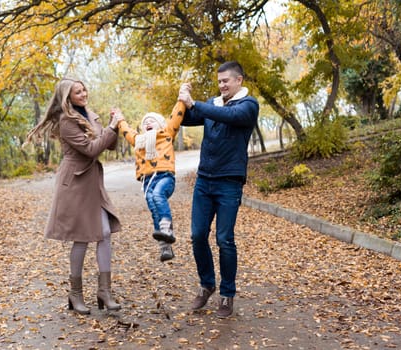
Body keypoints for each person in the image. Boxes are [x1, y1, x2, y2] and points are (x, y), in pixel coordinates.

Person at [26, 77, 124, 315]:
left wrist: (114, 125)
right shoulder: (66, 121)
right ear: (67, 96)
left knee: (104, 234)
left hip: (92, 181)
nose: (83, 94)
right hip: (76, 182)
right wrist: (111, 128)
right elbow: (91, 149)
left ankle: (105, 291)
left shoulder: (89, 114)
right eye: (77, 91)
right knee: (82, 237)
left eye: (84, 89)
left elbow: (107, 145)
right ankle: (75, 293)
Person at [178, 61, 259, 318]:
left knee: (225, 239)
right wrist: (180, 100)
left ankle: (227, 294)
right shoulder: (213, 104)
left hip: (229, 182)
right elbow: (187, 118)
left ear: (239, 80)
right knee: (198, 235)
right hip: (204, 181)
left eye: (226, 81)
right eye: (219, 81)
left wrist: (195, 104)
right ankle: (207, 285)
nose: (222, 85)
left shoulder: (248, 105)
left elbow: (231, 117)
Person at [112, 100, 186, 262]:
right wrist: (119, 118)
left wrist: (181, 99)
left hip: (165, 177)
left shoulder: (166, 134)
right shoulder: (139, 141)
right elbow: (126, 130)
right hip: (147, 181)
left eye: (151, 120)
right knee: (153, 205)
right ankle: (165, 246)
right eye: (145, 122)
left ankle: (167, 227)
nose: (148, 123)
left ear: (160, 124)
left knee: (158, 195)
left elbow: (176, 116)